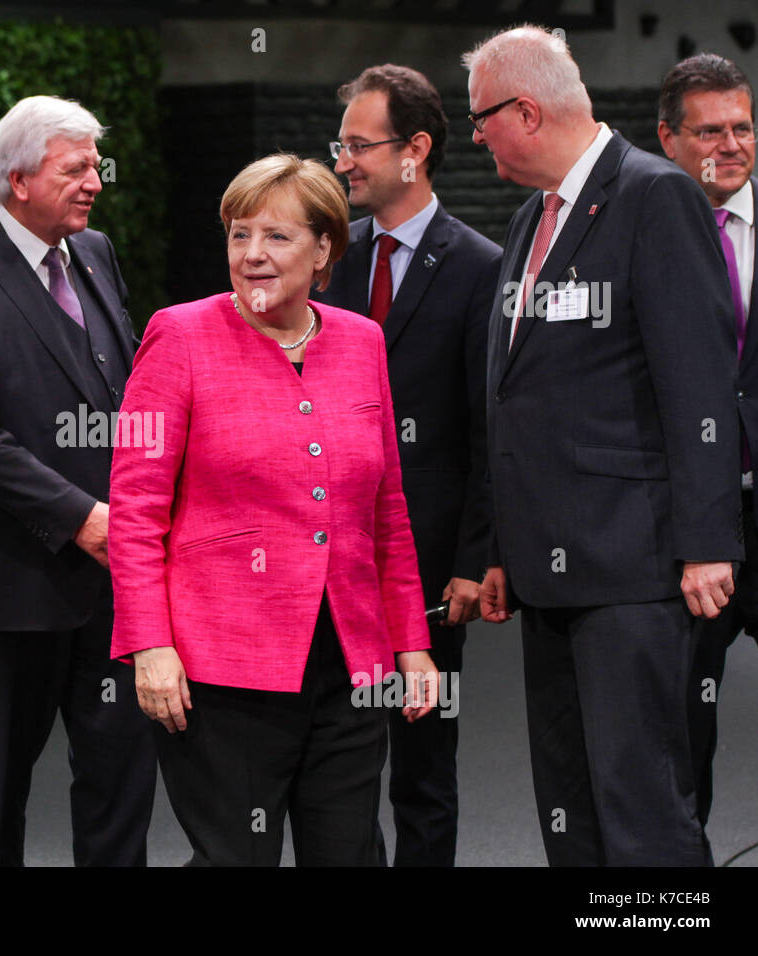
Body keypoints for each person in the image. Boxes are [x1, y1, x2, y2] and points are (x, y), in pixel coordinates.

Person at [110, 152, 438, 867]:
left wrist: (410, 642)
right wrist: (150, 646)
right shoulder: (177, 335)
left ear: (325, 249)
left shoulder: (362, 342)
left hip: (349, 661)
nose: (253, 255)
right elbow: (135, 511)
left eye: (277, 237)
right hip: (220, 668)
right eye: (238, 235)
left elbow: (387, 509)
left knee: (350, 855)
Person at [465, 25, 741, 866]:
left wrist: (705, 544)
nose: (475, 136)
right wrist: (505, 546)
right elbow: (517, 398)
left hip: (635, 566)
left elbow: (699, 387)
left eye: (481, 118)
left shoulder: (656, 197)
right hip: (550, 572)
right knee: (571, 805)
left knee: (643, 808)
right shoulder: (527, 220)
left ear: (526, 109)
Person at [0, 95, 155, 867]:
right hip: (6, 580)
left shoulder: (97, 253)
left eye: (95, 165)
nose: (95, 181)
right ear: (18, 180)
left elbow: (124, 395)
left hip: (115, 582)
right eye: (75, 167)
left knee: (121, 777)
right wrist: (83, 518)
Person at [318, 64, 500, 867]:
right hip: (329, 556)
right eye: (341, 144)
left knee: (424, 769)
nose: (344, 162)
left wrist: (473, 560)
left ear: (415, 149)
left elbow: (491, 430)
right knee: (339, 766)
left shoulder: (482, 265)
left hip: (427, 568)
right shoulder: (330, 260)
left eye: (359, 145)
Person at [657, 53, 758, 838]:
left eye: (743, 127)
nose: (729, 145)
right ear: (668, 138)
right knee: (684, 723)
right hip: (684, 521)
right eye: (708, 132)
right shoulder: (641, 237)